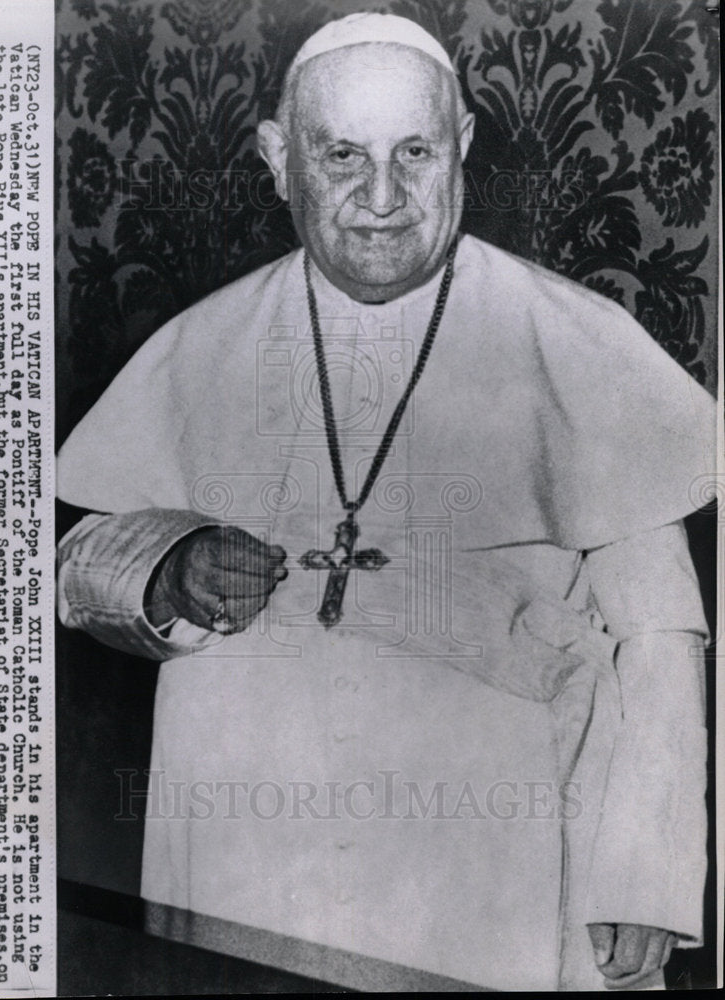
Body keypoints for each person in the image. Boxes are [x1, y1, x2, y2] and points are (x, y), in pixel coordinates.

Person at [56, 12, 714, 992]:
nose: (380, 197)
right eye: (340, 156)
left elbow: (658, 632)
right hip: (243, 849)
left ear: (463, 146)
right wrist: (171, 563)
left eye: (414, 153)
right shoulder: (203, 344)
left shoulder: (579, 341)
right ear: (280, 160)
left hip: (487, 857)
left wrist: (642, 874)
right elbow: (80, 562)